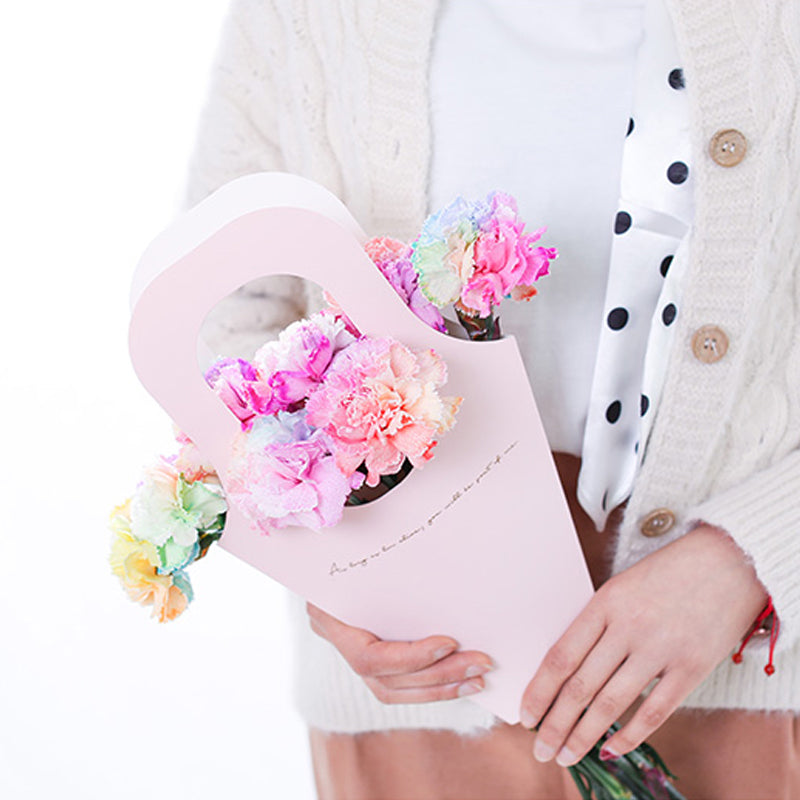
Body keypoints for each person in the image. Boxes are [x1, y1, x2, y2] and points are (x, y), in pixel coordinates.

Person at [186, 0, 800, 797]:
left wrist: (751, 557)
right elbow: (225, 315)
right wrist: (339, 569)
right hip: (423, 687)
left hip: (745, 670)